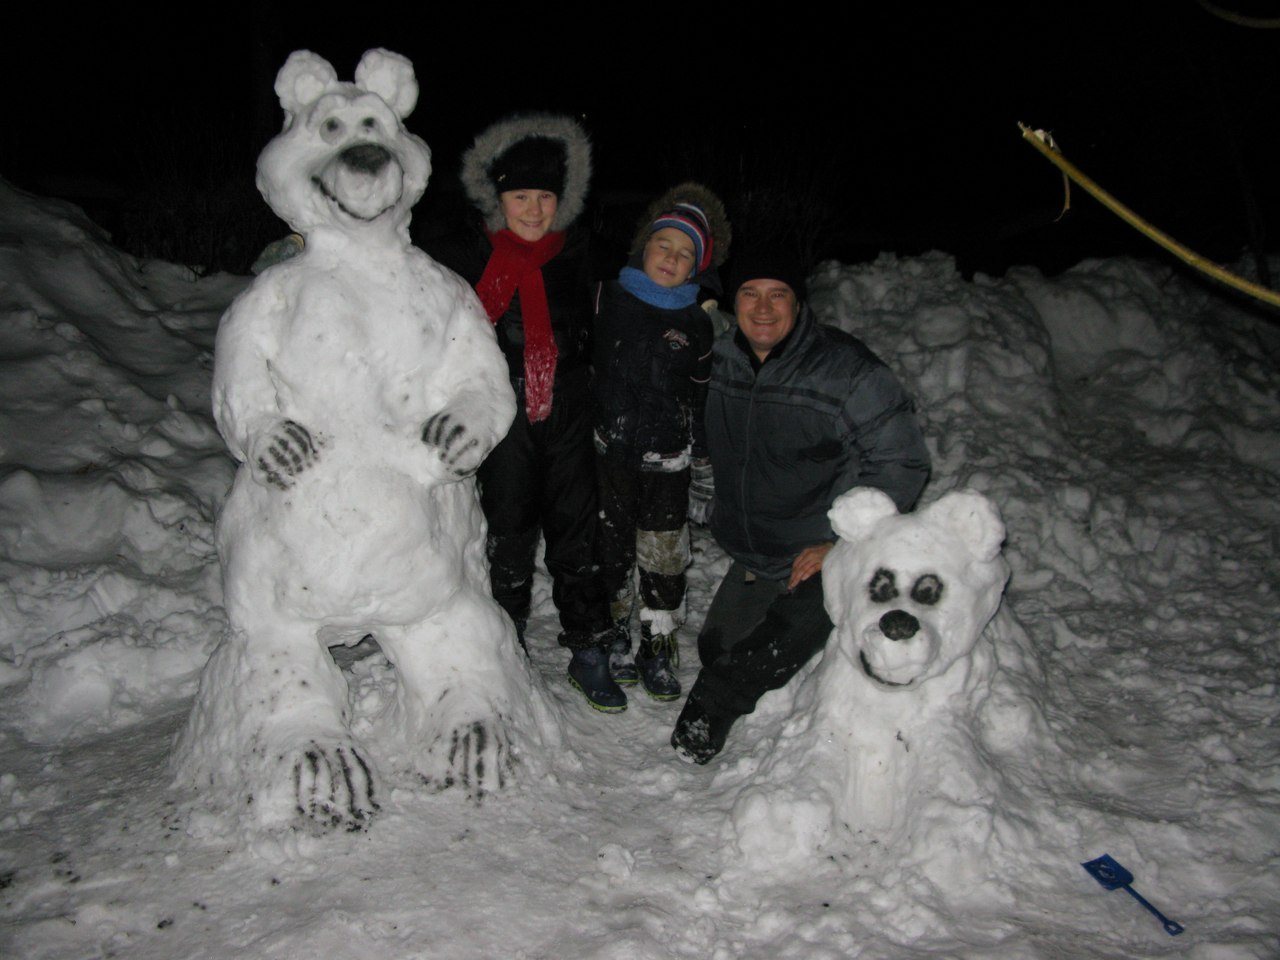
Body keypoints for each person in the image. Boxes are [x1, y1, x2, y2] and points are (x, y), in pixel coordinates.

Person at [670, 248, 931, 763]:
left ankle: (711, 710)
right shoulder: (716, 362)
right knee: (718, 649)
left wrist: (841, 544)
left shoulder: (846, 371)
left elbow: (904, 461)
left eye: (778, 294)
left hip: (821, 551)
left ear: (798, 302)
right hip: (755, 553)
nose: (763, 308)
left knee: (759, 652)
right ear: (732, 302)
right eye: (750, 293)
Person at [427, 113, 623, 712]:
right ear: (498, 198)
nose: (533, 210)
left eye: (544, 197)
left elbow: (647, 274)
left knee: (576, 526)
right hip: (500, 408)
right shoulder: (468, 252)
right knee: (507, 528)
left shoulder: (580, 250)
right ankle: (503, 643)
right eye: (520, 197)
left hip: (567, 404)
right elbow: (402, 278)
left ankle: (589, 643)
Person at [591, 184, 731, 701]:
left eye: (685, 253)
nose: (671, 258)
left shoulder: (698, 324)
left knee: (664, 557)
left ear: (697, 268)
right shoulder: (605, 298)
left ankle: (657, 639)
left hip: (667, 465)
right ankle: (615, 636)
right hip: (609, 456)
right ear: (643, 247)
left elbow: (699, 403)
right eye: (663, 245)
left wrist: (702, 469)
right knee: (610, 551)